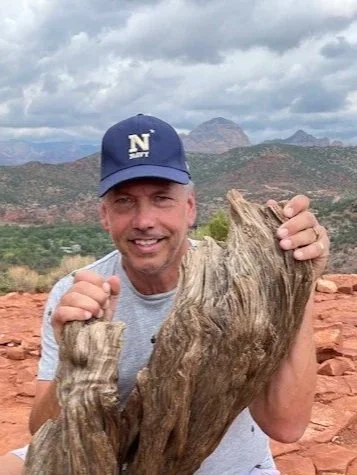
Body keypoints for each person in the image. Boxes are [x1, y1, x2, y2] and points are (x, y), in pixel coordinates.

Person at [1, 114, 329, 475]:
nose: (144, 220)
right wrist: (73, 360)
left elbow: (286, 426)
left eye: (161, 198)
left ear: (189, 208)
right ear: (105, 215)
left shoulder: (242, 281)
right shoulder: (76, 292)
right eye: (125, 201)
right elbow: (42, 430)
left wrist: (297, 280)